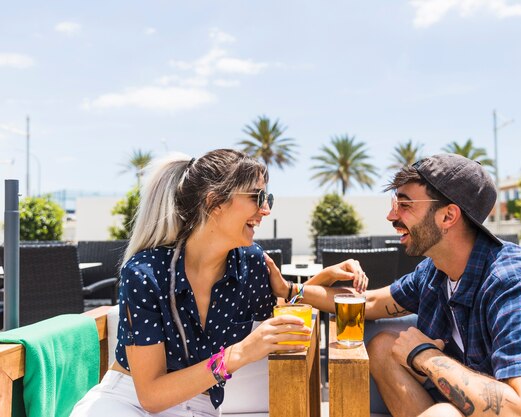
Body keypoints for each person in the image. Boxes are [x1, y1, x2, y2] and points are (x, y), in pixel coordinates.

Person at [265, 153, 521, 417]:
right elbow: (369, 304)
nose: (391, 216)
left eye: (404, 205)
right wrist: (291, 291)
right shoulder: (435, 272)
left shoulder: (516, 285)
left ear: (448, 216)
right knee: (384, 346)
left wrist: (425, 355)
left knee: (443, 415)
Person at [71, 149, 367, 417]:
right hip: (126, 402)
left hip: (199, 407)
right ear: (214, 202)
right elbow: (151, 395)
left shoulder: (250, 264)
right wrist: (238, 354)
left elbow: (289, 313)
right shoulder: (146, 273)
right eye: (257, 197)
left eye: (268, 199)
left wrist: (308, 284)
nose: (265, 210)